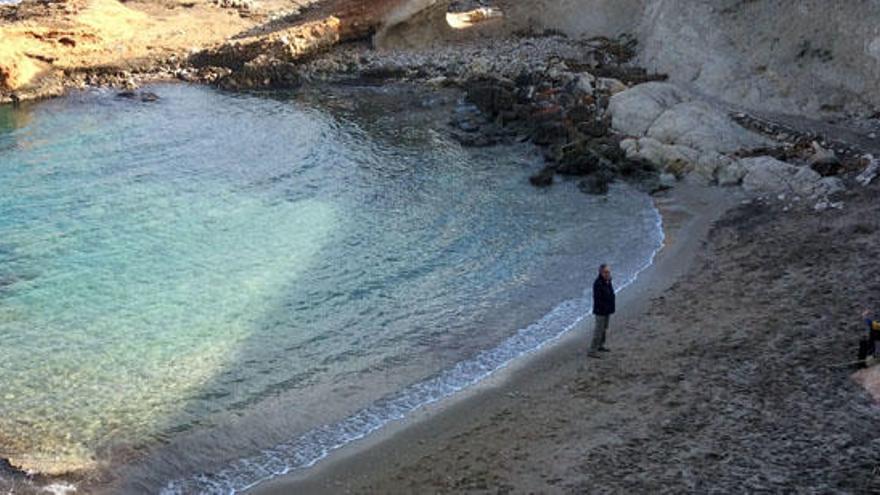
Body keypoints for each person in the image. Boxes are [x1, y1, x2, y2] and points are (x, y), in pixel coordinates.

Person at [589, 263, 615, 358]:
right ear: (601, 272)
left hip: (607, 309)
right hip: (600, 311)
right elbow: (600, 298)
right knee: (598, 330)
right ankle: (592, 350)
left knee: (604, 329)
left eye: (608, 272)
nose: (608, 274)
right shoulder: (598, 283)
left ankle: (600, 345)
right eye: (606, 272)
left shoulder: (607, 281)